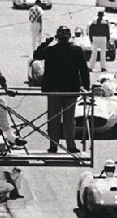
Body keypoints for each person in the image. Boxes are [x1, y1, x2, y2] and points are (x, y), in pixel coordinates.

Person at [33, 26, 90, 154]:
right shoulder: (76, 50)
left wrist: (46, 43)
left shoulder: (51, 50)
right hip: (70, 90)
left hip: (54, 90)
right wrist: (86, 87)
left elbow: (36, 55)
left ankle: (53, 146)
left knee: (54, 118)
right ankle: (71, 146)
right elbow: (84, 70)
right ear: (69, 37)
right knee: (69, 119)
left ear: (57, 37)